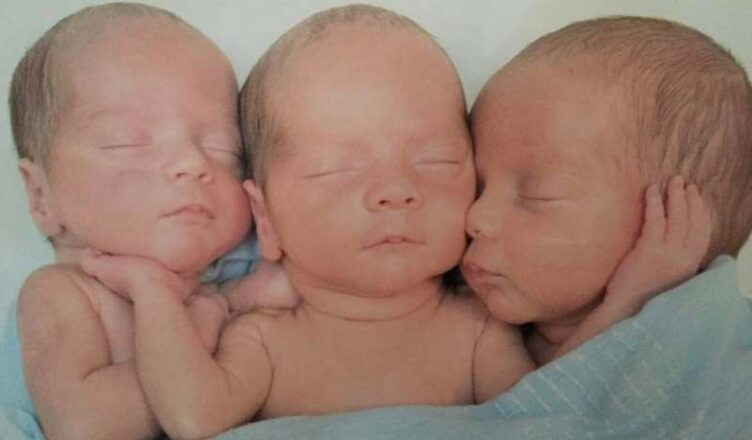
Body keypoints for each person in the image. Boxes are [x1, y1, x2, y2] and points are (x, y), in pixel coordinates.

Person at [81, 6, 709, 439]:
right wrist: (155, 294)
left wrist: (630, 294)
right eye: (335, 170)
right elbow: (192, 418)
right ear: (265, 219)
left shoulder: (477, 333)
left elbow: (557, 409)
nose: (395, 191)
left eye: (436, 163)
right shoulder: (264, 341)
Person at [9, 3, 276, 438]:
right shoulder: (62, 293)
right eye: (127, 143)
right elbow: (85, 427)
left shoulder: (234, 281)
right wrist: (190, 324)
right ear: (41, 195)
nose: (193, 163)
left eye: (224, 149)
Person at [462, 15, 750, 365]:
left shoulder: (703, 359)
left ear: (669, 223)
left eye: (537, 195)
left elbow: (567, 395)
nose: (475, 217)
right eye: (476, 187)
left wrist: (629, 302)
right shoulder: (463, 322)